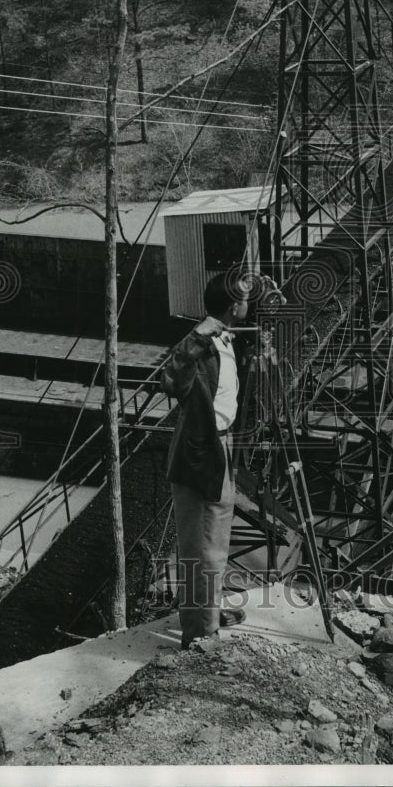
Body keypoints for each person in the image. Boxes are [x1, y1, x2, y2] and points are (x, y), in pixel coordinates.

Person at [161, 272, 250, 649]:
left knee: (215, 538)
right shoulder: (203, 345)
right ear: (234, 306)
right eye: (246, 298)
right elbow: (170, 378)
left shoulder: (229, 343)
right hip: (200, 452)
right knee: (201, 544)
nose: (251, 304)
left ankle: (206, 614)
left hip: (222, 448)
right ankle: (199, 632)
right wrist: (200, 333)